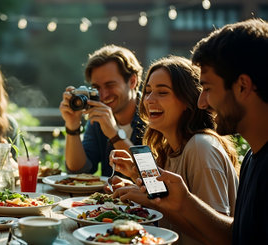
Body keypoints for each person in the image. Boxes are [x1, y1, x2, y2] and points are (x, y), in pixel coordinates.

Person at [115, 19, 268, 245]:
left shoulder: (202, 146)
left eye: (207, 88)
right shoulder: (253, 158)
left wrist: (163, 203)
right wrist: (183, 201)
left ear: (242, 86)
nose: (202, 102)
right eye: (147, 92)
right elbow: (238, 236)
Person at [109, 56, 239, 244]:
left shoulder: (201, 147)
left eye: (162, 92)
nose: (149, 100)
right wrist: (136, 179)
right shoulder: (169, 149)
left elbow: (218, 237)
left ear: (188, 100)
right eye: (147, 91)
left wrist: (150, 201)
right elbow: (173, 209)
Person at [59, 44, 146, 177]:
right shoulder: (99, 117)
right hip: (110, 197)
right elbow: (79, 171)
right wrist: (72, 125)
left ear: (132, 81)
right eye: (96, 87)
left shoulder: (152, 114)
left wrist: (114, 133)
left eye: (110, 85)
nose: (103, 95)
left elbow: (149, 173)